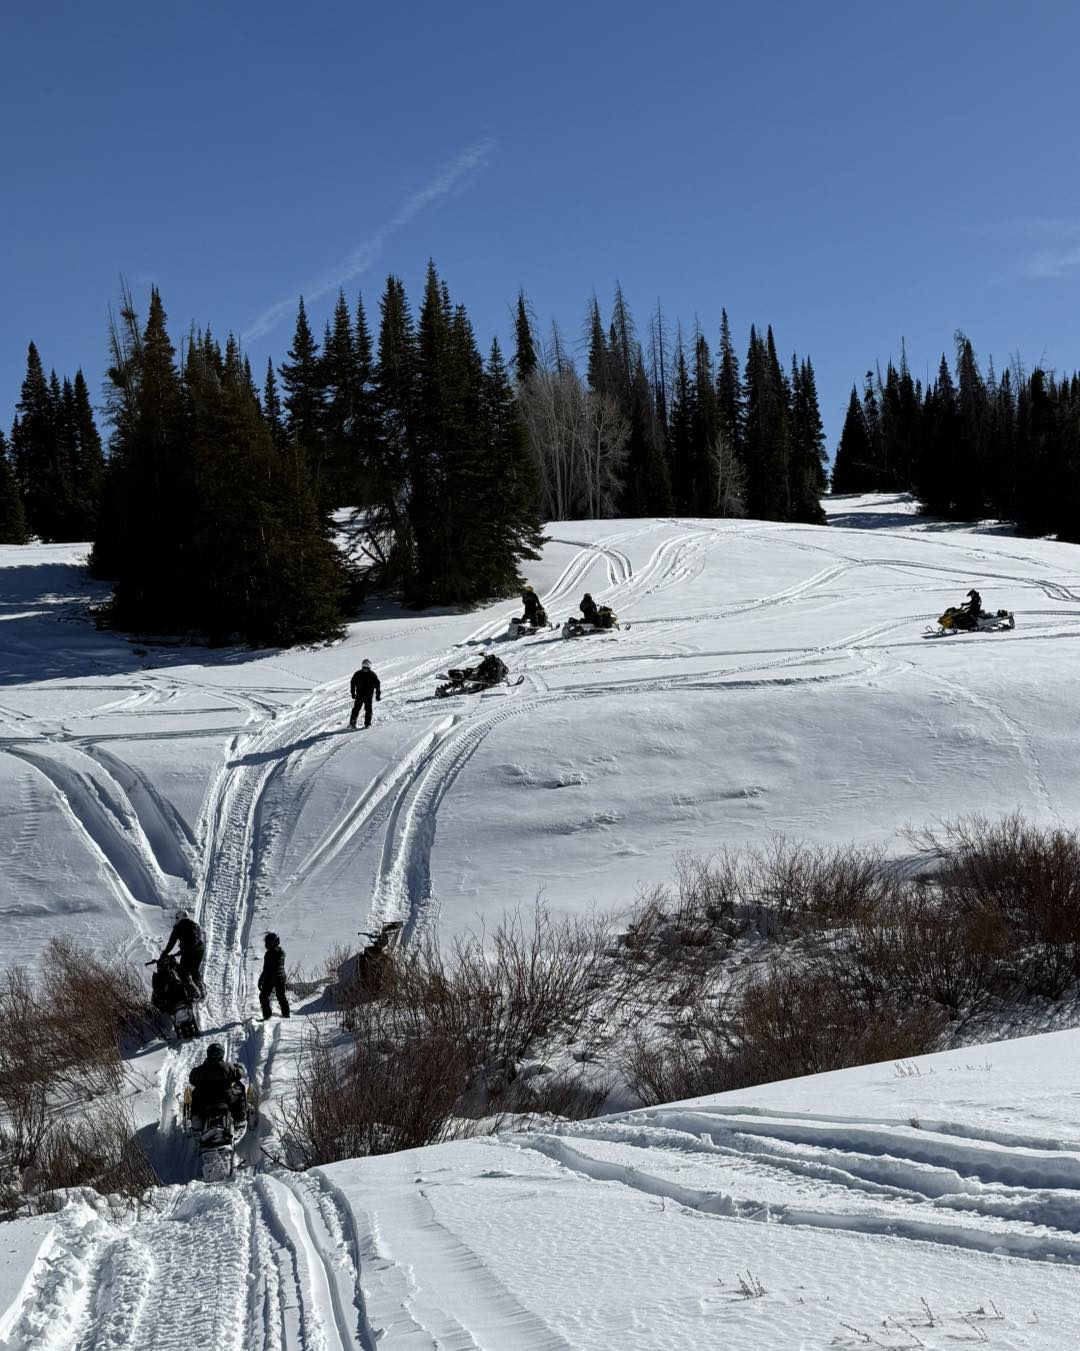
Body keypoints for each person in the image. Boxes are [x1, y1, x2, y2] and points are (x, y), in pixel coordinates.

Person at [188, 1043, 246, 1127]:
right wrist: (238, 1068)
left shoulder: (200, 1069)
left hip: (205, 1100)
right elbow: (239, 1074)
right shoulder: (227, 1066)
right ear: (221, 1054)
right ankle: (239, 1118)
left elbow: (192, 1080)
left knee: (195, 1092)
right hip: (226, 1098)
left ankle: (196, 1119)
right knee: (239, 1088)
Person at [162, 909, 206, 1000]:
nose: (176, 919)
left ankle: (194, 993)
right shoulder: (195, 925)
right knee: (195, 971)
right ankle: (202, 992)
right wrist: (182, 951)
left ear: (180, 917)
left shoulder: (178, 927)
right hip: (200, 950)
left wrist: (164, 953)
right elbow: (196, 939)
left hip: (189, 951)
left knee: (183, 972)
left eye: (177, 918)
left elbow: (171, 942)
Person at [259, 931, 290, 1020]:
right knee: (281, 997)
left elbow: (266, 970)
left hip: (272, 979)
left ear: (273, 943)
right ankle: (286, 1016)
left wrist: (261, 980)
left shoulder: (269, 954)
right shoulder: (281, 951)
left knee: (263, 996)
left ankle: (268, 1016)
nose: (266, 944)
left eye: (268, 942)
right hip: (281, 978)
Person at [349, 659, 381, 729]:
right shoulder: (357, 674)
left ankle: (367, 724)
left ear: (369, 668)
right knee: (356, 709)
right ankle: (352, 723)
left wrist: (378, 694)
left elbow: (377, 684)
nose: (365, 669)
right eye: (364, 667)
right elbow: (352, 683)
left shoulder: (372, 675)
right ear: (362, 667)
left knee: (368, 710)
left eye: (367, 668)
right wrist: (353, 693)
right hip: (359, 695)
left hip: (368, 696)